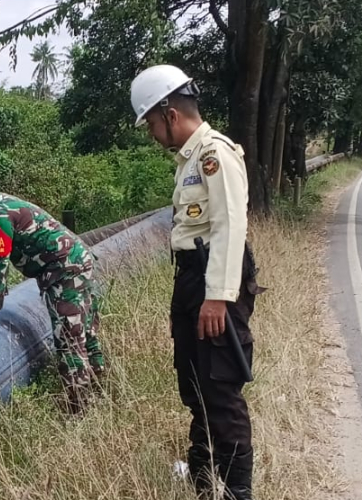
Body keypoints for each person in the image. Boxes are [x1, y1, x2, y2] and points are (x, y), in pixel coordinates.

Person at [129, 64, 264, 500]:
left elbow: (230, 226)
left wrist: (218, 297)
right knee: (194, 385)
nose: (152, 134)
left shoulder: (214, 154)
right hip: (191, 277)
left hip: (214, 278)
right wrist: (188, 299)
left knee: (220, 388)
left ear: (170, 114)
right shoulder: (188, 161)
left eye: (151, 123)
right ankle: (204, 481)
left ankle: (237, 491)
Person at [0, 171, 104, 412]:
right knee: (84, 333)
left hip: (65, 271)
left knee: (68, 339)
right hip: (75, 264)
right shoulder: (0, 204)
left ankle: (79, 408)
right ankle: (101, 393)